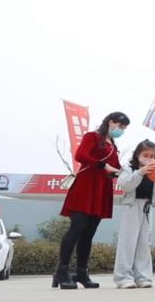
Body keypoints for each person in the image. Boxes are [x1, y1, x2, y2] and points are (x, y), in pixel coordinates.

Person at [54, 111, 130, 290]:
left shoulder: (113, 146)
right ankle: (62, 271)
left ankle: (81, 272)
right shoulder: (92, 137)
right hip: (86, 188)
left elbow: (115, 168)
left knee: (88, 234)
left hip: (101, 190)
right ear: (110, 122)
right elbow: (80, 155)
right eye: (120, 125)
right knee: (76, 229)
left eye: (124, 128)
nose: (121, 130)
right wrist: (102, 165)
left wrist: (125, 171)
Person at [114, 140, 155, 289]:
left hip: (147, 208)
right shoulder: (129, 168)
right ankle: (123, 278)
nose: (148, 158)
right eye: (145, 155)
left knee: (144, 244)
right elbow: (125, 185)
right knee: (127, 243)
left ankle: (143, 277)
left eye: (152, 156)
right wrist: (140, 172)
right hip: (132, 206)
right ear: (137, 155)